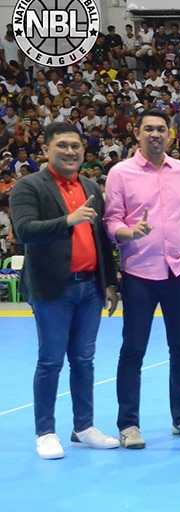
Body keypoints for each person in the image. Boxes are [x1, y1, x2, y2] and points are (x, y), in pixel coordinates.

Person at [10, 122, 120, 459]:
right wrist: (69, 220)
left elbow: (101, 240)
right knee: (50, 360)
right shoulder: (28, 187)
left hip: (89, 288)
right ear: (45, 149)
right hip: (52, 289)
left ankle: (83, 427)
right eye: (62, 146)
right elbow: (25, 230)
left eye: (76, 146)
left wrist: (110, 282)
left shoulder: (90, 187)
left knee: (84, 360)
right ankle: (45, 432)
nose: (70, 152)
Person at [103, 110, 180, 449]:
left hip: (179, 270)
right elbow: (110, 221)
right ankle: (129, 424)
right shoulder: (120, 173)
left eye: (160, 129)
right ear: (137, 134)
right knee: (133, 350)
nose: (154, 134)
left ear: (170, 134)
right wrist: (128, 232)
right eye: (148, 128)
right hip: (139, 273)